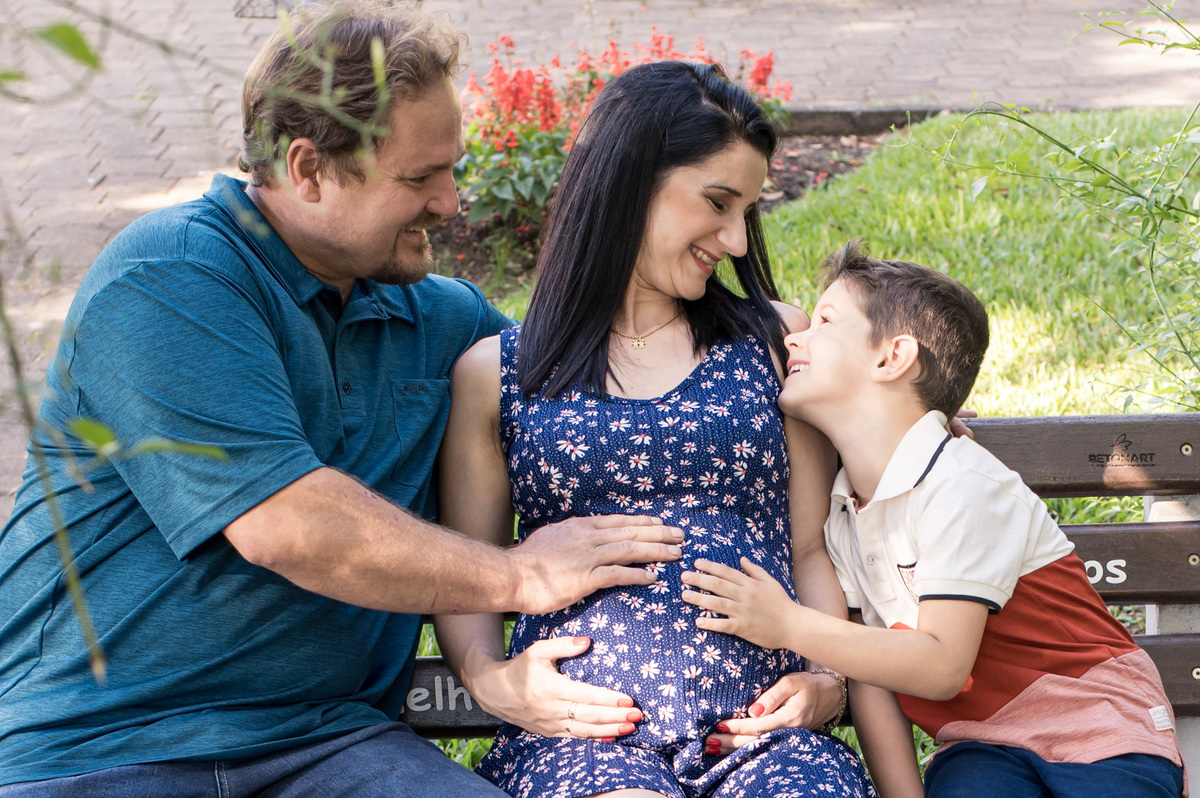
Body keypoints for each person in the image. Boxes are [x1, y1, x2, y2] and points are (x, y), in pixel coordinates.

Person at [0, 3, 685, 795]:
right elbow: (290, 527)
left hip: (334, 742)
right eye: (420, 177)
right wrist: (519, 577)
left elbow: (621, 407)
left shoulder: (446, 324)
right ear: (308, 169)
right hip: (96, 746)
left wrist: (785, 358)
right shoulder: (170, 278)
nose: (450, 202)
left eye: (452, 169)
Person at [434, 61, 876, 798]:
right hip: (582, 745)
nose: (736, 241)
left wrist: (827, 679)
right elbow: (468, 572)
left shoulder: (773, 342)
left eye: (747, 213)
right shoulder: (499, 372)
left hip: (763, 741)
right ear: (632, 180)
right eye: (718, 203)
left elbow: (808, 545)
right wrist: (490, 679)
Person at [681, 242, 1187, 798]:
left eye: (824, 321)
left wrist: (788, 624)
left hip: (1098, 724)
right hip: (984, 745)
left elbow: (943, 665)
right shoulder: (845, 512)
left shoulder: (963, 484)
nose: (793, 338)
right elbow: (871, 672)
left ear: (891, 358)